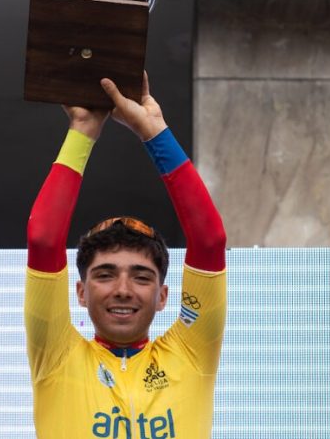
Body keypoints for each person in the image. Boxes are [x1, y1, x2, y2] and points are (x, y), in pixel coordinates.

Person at [25, 73, 227, 439]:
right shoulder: (56, 355)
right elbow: (43, 238)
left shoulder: (191, 352)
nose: (122, 289)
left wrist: (154, 131)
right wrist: (82, 130)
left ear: (163, 296)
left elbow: (210, 241)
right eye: (105, 274)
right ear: (81, 292)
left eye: (141, 276)